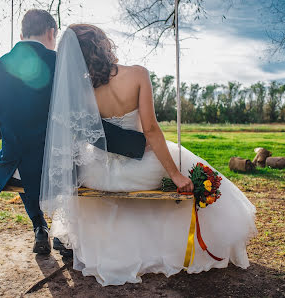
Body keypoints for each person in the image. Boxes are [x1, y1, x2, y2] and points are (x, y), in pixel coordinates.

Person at [41, 25, 257, 286]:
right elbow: (152, 130)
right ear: (102, 45)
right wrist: (175, 174)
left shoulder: (82, 91)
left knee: (101, 189)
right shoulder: (138, 75)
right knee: (185, 162)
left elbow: (87, 136)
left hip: (99, 173)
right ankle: (168, 246)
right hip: (139, 169)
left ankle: (116, 250)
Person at [0, 11, 147, 256]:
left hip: (13, 170)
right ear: (51, 33)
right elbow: (84, 124)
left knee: (27, 164)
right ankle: (68, 233)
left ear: (21, 34)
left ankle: (39, 224)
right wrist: (135, 144)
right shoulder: (61, 65)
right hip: (54, 169)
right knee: (83, 163)